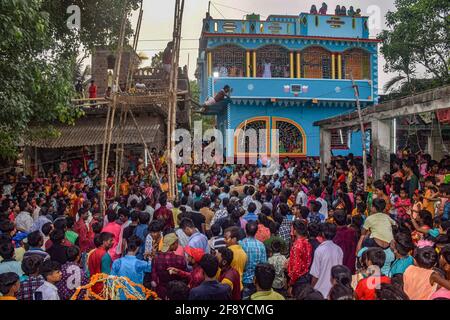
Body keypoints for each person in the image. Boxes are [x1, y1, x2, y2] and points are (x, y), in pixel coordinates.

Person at [310, 223, 343, 298]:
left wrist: (311, 288)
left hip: (320, 291)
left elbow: (315, 274)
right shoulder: (338, 249)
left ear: (322, 234)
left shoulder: (319, 250)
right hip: (334, 291)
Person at [151, 233, 187, 299]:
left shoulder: (155, 258)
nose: (178, 245)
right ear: (172, 245)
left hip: (161, 291)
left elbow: (154, 278)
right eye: (177, 243)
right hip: (176, 292)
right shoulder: (180, 259)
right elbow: (184, 275)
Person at [240, 221, 267, 299]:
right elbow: (264, 264)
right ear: (256, 232)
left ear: (245, 230)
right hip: (256, 281)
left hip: (244, 279)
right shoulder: (261, 245)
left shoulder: (241, 244)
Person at [287, 220, 312, 296]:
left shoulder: (297, 245)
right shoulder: (307, 242)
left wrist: (291, 283)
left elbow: (296, 269)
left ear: (295, 231)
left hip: (299, 280)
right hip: (306, 276)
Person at [333, 210, 357, 274]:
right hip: (350, 265)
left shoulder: (334, 233)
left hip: (337, 266)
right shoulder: (352, 232)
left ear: (334, 221)